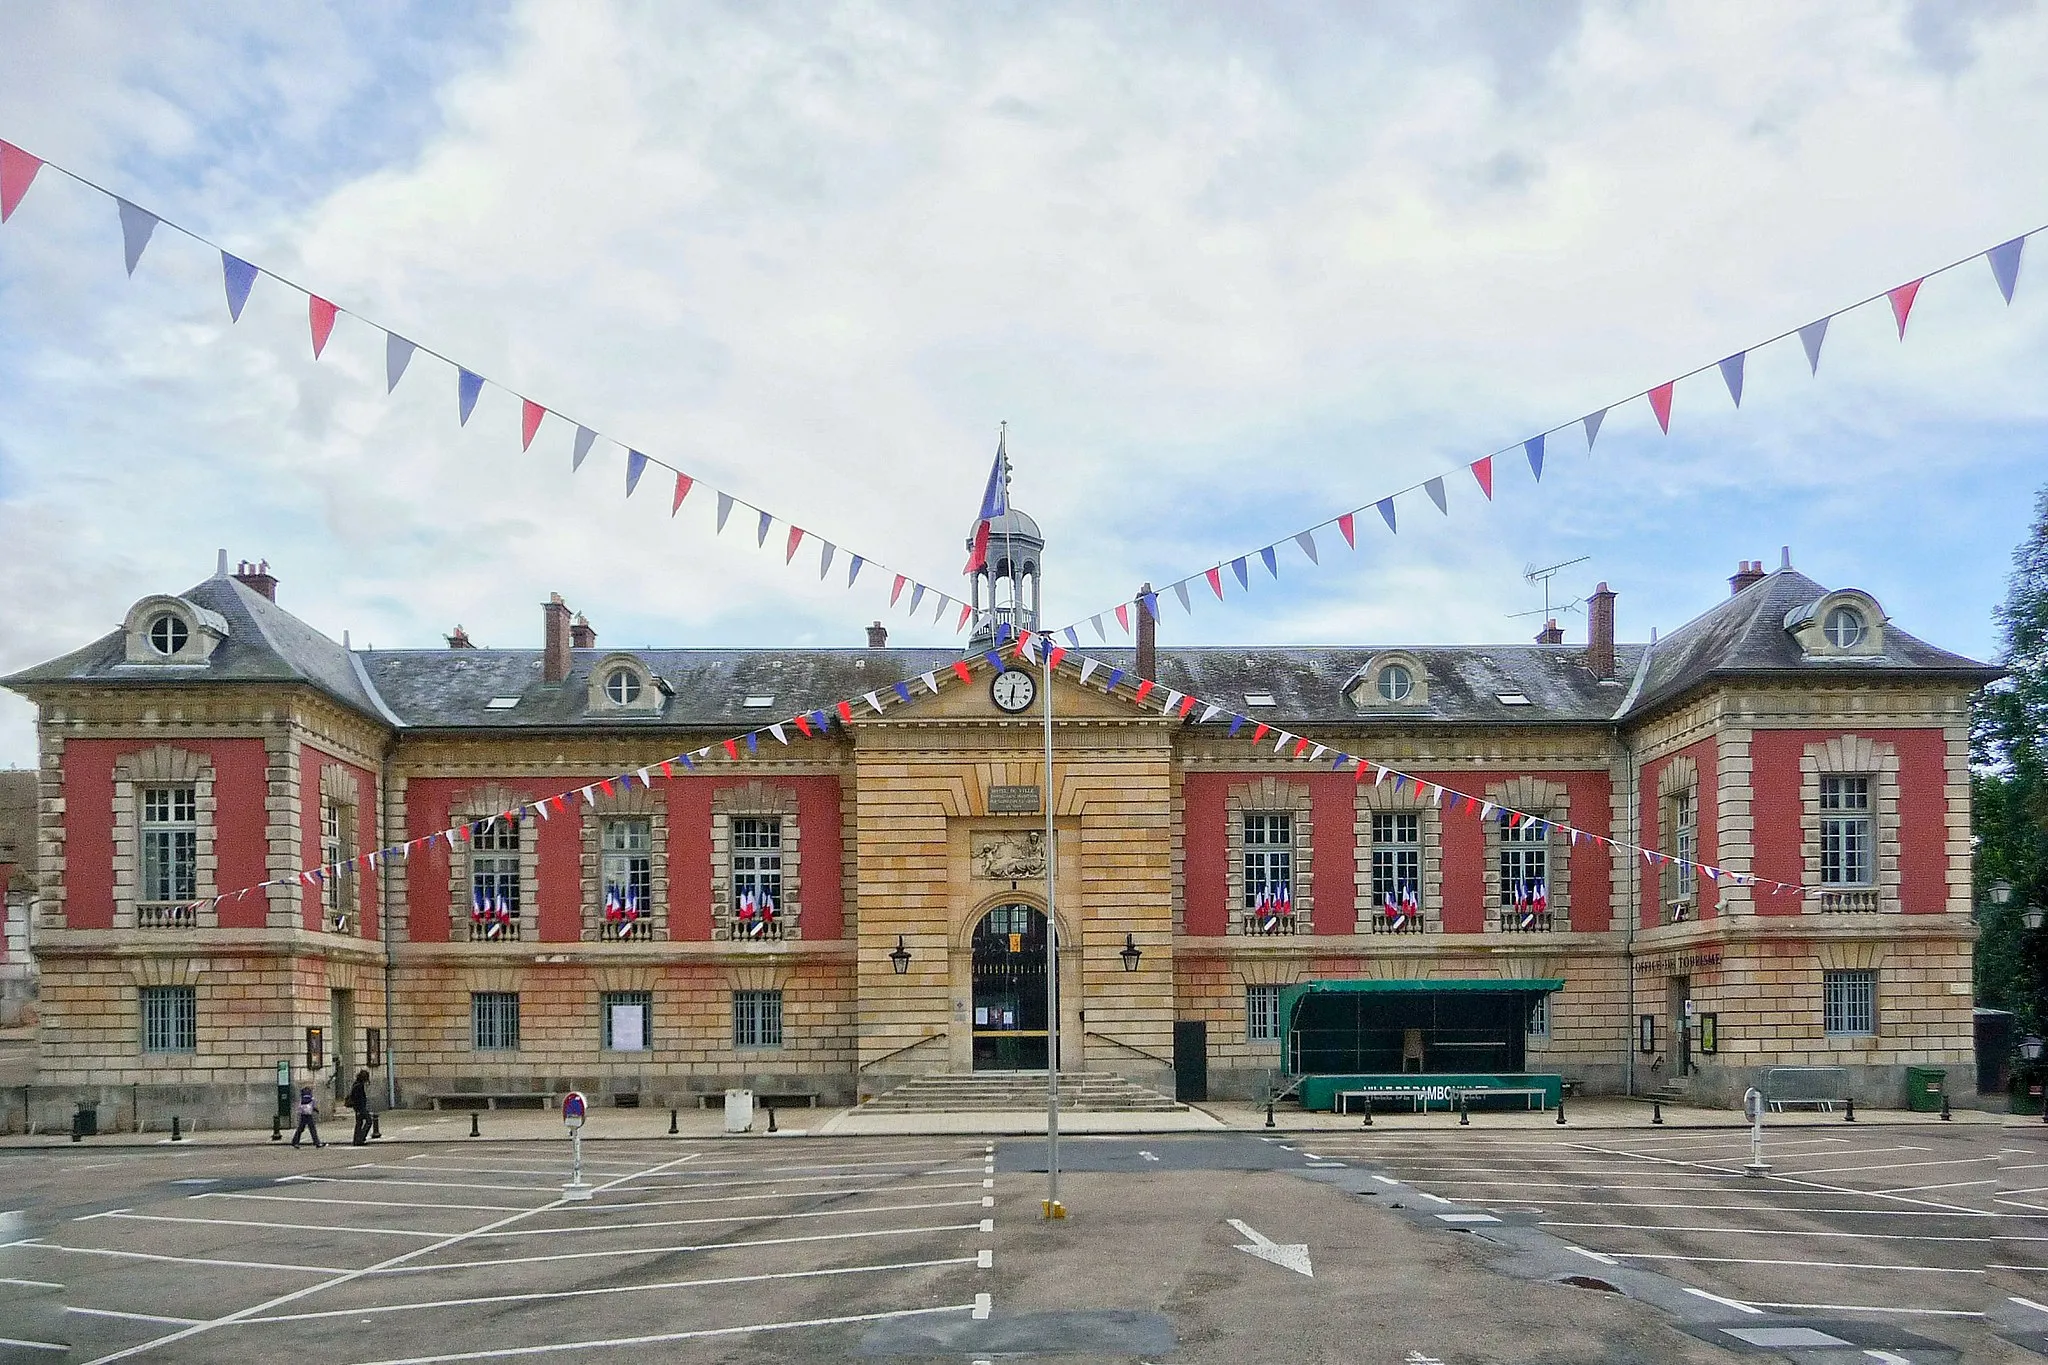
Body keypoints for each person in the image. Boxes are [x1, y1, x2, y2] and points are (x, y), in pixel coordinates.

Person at [290, 1081, 323, 1149]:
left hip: (303, 1113)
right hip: (309, 1114)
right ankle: (317, 1142)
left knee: (300, 1128)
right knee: (312, 1128)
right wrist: (316, 1110)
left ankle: (295, 1141)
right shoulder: (310, 1096)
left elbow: (300, 1104)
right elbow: (312, 1104)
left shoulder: (302, 1095)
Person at [346, 1068, 373, 1146]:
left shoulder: (356, 1084)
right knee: (369, 1121)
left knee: (359, 1123)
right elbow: (357, 1098)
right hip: (360, 1108)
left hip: (358, 1108)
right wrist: (359, 1109)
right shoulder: (359, 1086)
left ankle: (356, 1140)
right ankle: (361, 1138)